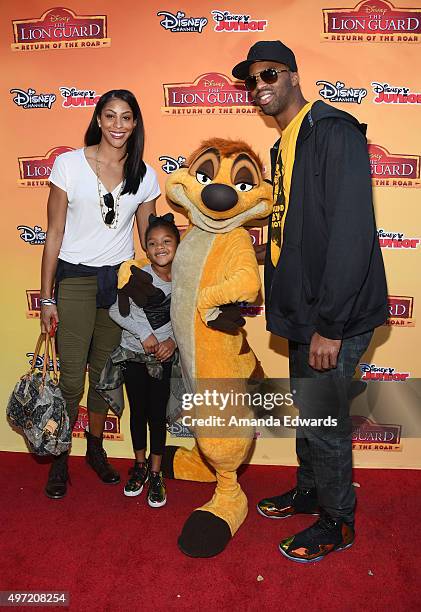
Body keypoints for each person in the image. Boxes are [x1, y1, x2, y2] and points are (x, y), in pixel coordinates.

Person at [232, 41, 388, 562]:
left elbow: (351, 233)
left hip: (332, 314)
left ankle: (338, 521)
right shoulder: (286, 145)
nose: (260, 88)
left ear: (294, 76)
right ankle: (308, 491)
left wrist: (331, 325)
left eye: (269, 75)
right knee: (308, 413)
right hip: (306, 310)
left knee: (324, 418)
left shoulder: (334, 132)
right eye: (252, 81)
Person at [40, 89, 160, 499]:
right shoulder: (69, 164)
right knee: (72, 379)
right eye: (110, 116)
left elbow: (150, 239)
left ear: (135, 123)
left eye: (126, 117)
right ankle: (60, 456)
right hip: (73, 280)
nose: (118, 125)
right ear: (98, 119)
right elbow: (53, 233)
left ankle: (94, 449)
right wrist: (46, 297)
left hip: (117, 285)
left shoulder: (143, 174)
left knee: (106, 377)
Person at [107, 213, 179, 507]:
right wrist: (145, 334)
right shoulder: (137, 275)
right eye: (153, 243)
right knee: (137, 412)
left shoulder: (185, 280)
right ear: (146, 249)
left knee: (157, 415)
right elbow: (116, 309)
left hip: (163, 357)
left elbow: (185, 318)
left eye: (166, 241)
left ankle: (156, 472)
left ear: (177, 244)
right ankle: (139, 466)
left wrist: (172, 342)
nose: (160, 247)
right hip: (133, 354)